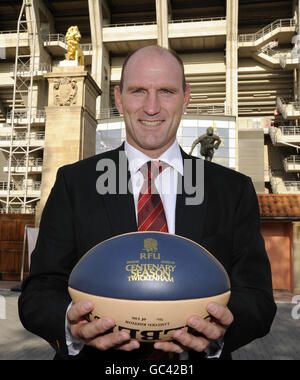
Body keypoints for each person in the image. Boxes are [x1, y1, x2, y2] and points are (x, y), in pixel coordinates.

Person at [18, 45, 276, 360]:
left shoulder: (232, 190)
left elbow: (258, 299)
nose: (151, 107)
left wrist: (223, 330)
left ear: (186, 97)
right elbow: (39, 290)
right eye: (138, 91)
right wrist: (70, 325)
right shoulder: (75, 184)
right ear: (118, 98)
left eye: (166, 91)